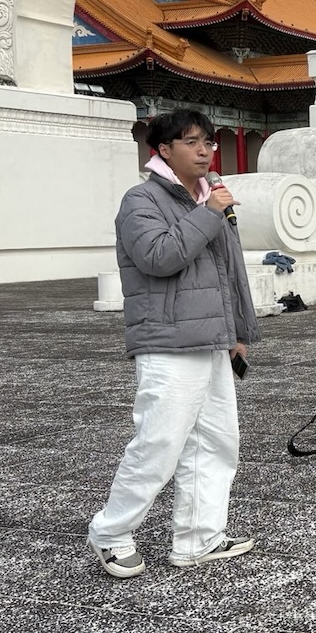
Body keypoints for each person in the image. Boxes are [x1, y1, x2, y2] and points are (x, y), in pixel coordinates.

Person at [87, 110, 260, 578]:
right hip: (167, 341)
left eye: (209, 142)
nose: (205, 151)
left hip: (211, 340)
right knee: (158, 444)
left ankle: (199, 538)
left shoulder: (209, 197)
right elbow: (159, 257)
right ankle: (111, 533)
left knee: (217, 443)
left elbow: (228, 274)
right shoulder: (141, 200)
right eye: (191, 142)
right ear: (163, 150)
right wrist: (208, 214)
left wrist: (238, 331)